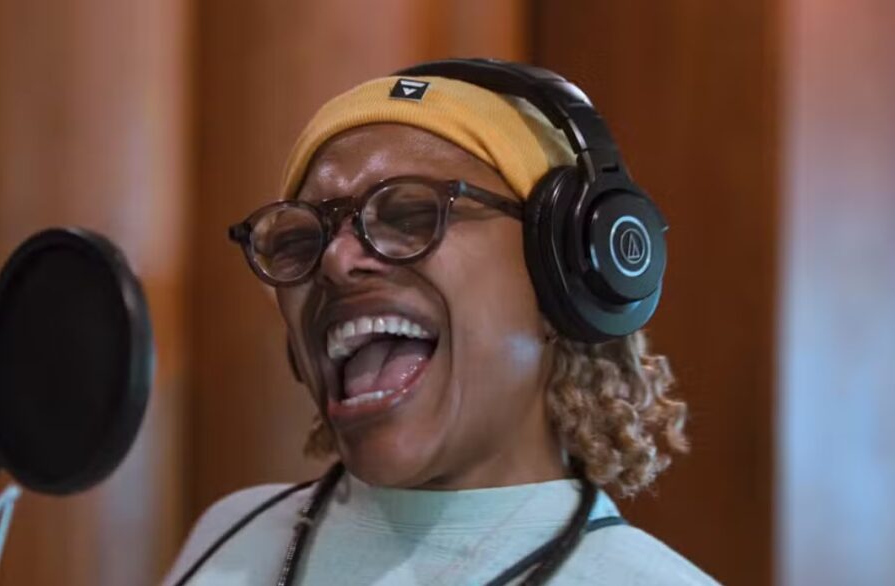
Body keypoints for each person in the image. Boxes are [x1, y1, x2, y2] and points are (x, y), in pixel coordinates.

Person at [164, 59, 718, 585]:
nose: (334, 259)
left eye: (410, 214)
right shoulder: (230, 537)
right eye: (298, 240)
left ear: (558, 281)